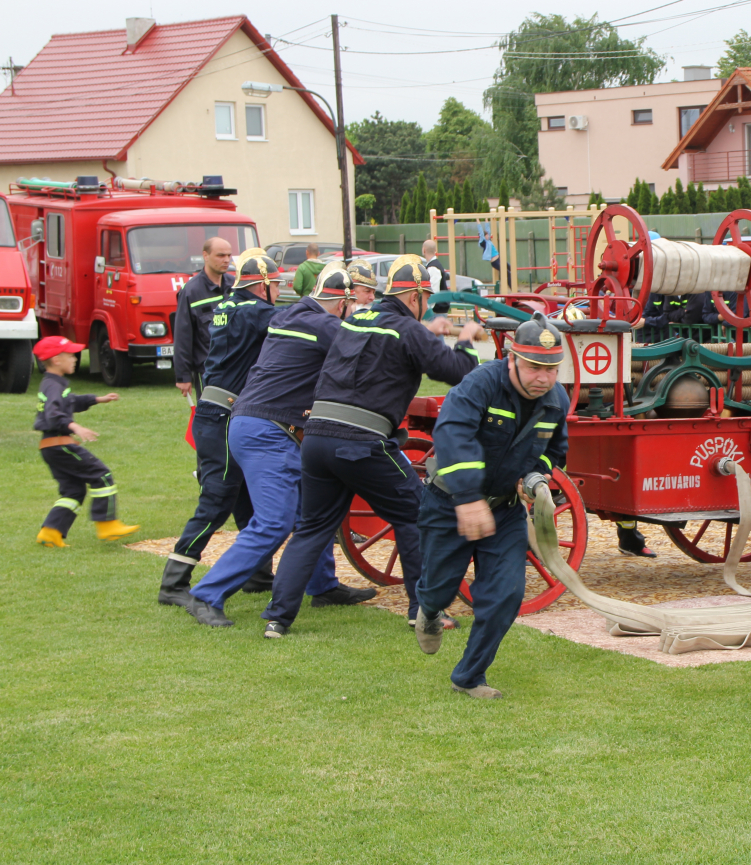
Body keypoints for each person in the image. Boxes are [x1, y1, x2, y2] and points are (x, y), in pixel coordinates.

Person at [260, 255, 481, 639]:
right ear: (415, 297)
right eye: (425, 299)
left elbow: (383, 345)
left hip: (316, 438)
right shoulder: (408, 330)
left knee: (312, 528)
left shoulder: (355, 320)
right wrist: (464, 341)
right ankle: (423, 610)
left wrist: (427, 331)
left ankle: (278, 619)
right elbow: (457, 371)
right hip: (361, 442)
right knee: (417, 516)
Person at [180, 263, 376, 627]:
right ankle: (206, 595)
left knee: (313, 513)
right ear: (343, 304)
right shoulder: (325, 324)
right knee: (274, 521)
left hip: (253, 422)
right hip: (268, 430)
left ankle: (323, 586)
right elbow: (369, 351)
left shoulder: (291, 315)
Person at [413, 312, 571, 699]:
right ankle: (429, 611)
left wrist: (535, 477)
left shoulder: (557, 400)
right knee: (438, 588)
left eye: (551, 369)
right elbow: (453, 435)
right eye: (534, 367)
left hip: (504, 510)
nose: (544, 378)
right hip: (449, 502)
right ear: (512, 358)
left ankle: (469, 677)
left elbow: (554, 451)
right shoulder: (479, 384)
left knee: (505, 595)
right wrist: (468, 498)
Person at [159, 252, 278, 609]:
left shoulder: (228, 304)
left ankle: (257, 574)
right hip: (224, 414)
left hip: (217, 409)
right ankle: (174, 582)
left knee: (244, 494)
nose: (277, 293)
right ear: (262, 286)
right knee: (217, 498)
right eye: (274, 286)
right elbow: (296, 324)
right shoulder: (255, 310)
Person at [32, 336, 139, 546]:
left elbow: (71, 402)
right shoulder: (53, 386)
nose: (75, 358)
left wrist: (97, 399)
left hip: (50, 446)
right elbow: (54, 414)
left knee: (73, 491)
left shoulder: (53, 384)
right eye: (70, 355)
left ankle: (50, 533)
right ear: (56, 360)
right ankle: (108, 525)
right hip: (60, 443)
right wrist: (75, 427)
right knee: (101, 475)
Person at [173, 236, 234, 400]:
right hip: (208, 371)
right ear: (205, 256)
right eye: (220, 255)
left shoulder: (235, 286)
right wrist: (183, 376)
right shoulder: (191, 291)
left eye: (229, 255)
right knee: (212, 412)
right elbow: (183, 335)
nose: (226, 260)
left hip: (236, 367)